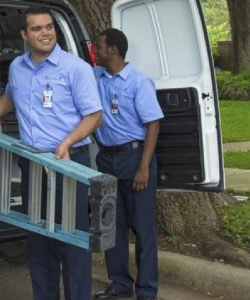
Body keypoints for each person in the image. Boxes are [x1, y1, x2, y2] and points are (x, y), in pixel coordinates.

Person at [0, 7, 103, 300]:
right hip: (32, 163)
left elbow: (94, 115)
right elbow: (10, 96)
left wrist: (68, 141)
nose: (45, 33)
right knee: (40, 238)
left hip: (67, 163)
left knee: (71, 239)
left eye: (49, 27)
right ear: (24, 35)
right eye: (37, 29)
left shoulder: (75, 68)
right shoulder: (18, 66)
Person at [92, 28, 163, 300]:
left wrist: (143, 166)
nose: (95, 51)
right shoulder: (96, 76)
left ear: (113, 50)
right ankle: (120, 283)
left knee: (143, 227)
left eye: (99, 47)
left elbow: (153, 124)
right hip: (107, 158)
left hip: (134, 157)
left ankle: (146, 291)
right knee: (112, 224)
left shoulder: (138, 82)